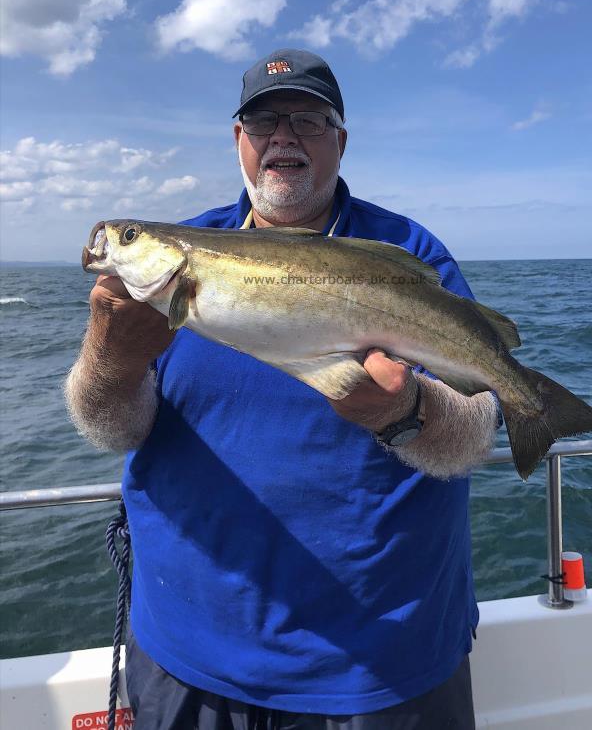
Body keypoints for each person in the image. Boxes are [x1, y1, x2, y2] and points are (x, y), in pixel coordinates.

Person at [66, 49, 500, 730]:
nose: (283, 136)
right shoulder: (180, 257)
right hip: (188, 649)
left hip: (377, 662)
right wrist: (110, 361)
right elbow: (112, 430)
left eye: (308, 120)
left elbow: (475, 432)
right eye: (262, 122)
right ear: (239, 141)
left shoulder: (408, 252)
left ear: (340, 141)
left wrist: (408, 411)